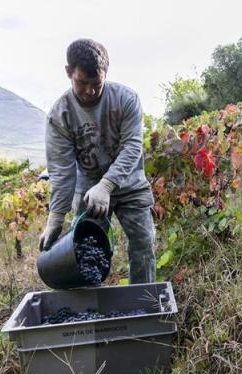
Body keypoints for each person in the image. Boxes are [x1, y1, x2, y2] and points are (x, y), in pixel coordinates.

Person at [39, 38, 156, 284]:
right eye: (82, 82)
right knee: (84, 252)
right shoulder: (60, 116)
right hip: (88, 191)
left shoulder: (126, 99)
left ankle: (144, 305)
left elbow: (133, 146)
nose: (90, 91)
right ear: (69, 73)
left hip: (129, 184)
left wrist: (107, 185)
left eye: (96, 83)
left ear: (106, 74)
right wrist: (55, 219)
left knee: (143, 244)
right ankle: (93, 312)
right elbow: (62, 172)